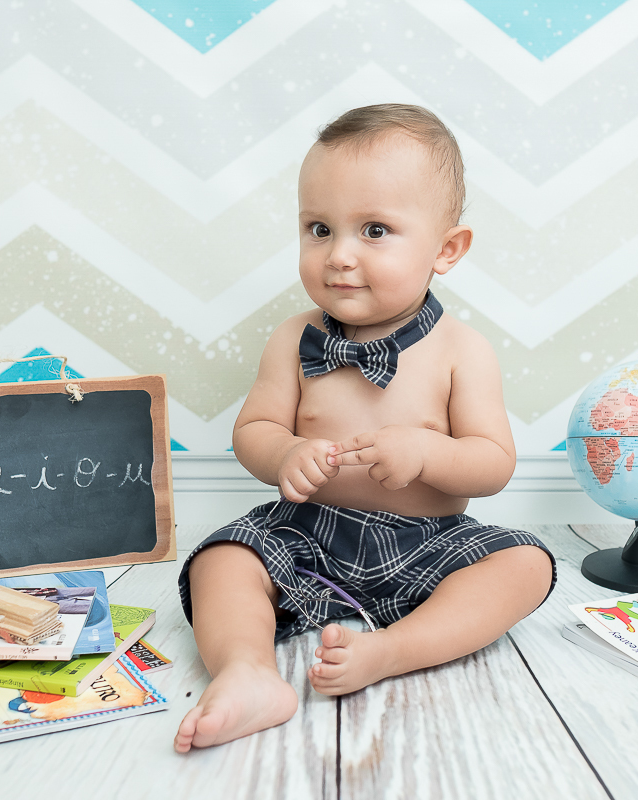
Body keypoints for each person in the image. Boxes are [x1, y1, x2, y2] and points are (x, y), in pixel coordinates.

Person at [174, 104, 556, 753]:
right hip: (304, 534)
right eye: (318, 228)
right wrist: (285, 451)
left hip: (428, 544)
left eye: (374, 230)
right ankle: (248, 672)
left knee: (524, 565)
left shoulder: (462, 350)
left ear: (446, 249)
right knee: (222, 559)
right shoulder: (294, 338)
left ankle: (391, 649)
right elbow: (254, 428)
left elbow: (492, 463)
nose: (339, 256)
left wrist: (429, 453)